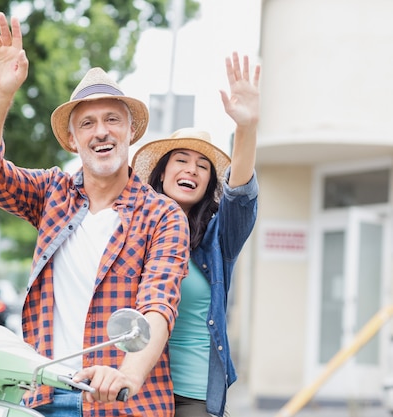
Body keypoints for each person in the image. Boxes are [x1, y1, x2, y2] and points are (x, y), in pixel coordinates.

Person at [0, 12, 189, 417]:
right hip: (44, 396)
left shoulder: (162, 214)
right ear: (72, 140)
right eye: (88, 124)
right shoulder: (52, 194)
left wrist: (127, 377)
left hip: (123, 404)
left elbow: (158, 303)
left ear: (130, 132)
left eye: (112, 120)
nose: (101, 131)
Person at [131, 52, 260, 417]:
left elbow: (242, 195)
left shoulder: (219, 238)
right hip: (135, 388)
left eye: (203, 165)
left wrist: (247, 127)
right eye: (181, 160)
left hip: (193, 396)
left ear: (208, 183)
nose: (192, 169)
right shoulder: (134, 227)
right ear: (162, 172)